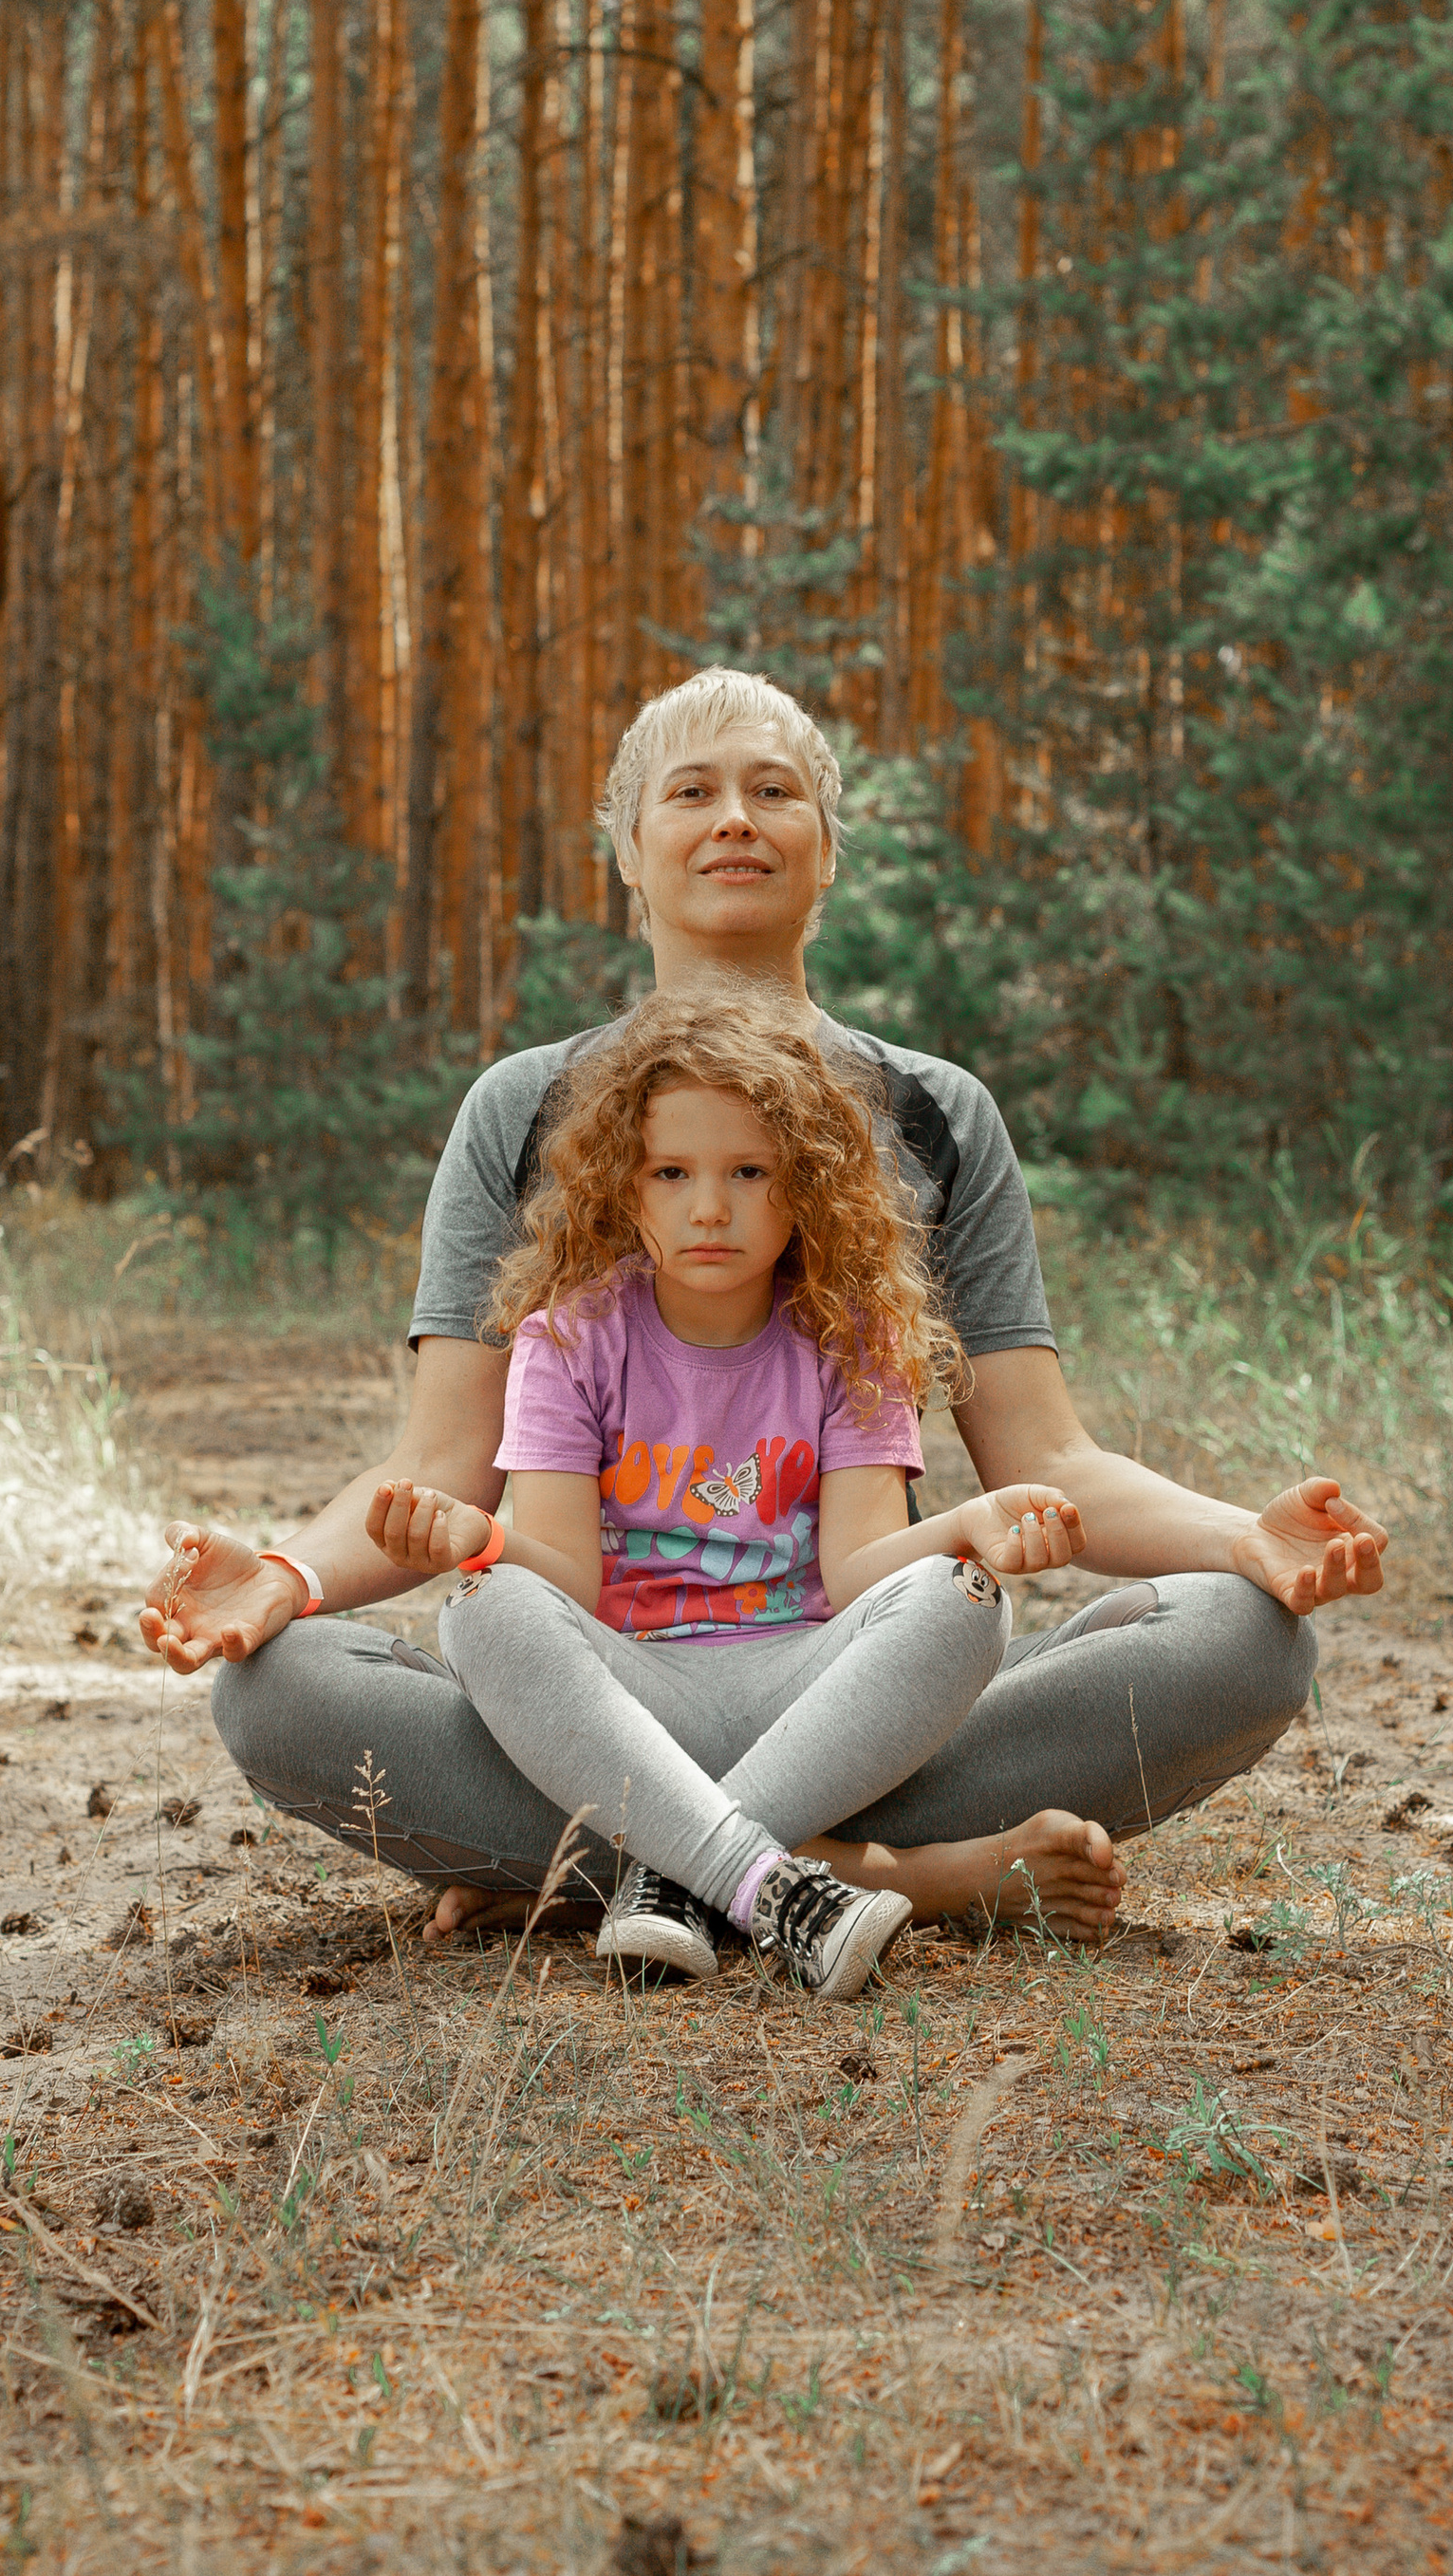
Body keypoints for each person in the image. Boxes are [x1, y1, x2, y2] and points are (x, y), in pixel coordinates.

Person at [144, 666, 1388, 1946]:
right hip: (602, 1690)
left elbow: (1050, 1464)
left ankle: (640, 1864)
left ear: (826, 850)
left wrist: (1246, 1538)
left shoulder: (936, 1114)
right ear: (628, 849)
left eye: (774, 792)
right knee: (278, 1688)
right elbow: (440, 1463)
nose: (735, 816)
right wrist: (289, 1575)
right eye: (692, 792)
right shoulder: (521, 1109)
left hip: (846, 1687)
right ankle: (876, 1873)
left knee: (1244, 1637)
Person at [378, 984, 1089, 1998]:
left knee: (963, 1598)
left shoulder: (854, 1337)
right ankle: (777, 1888)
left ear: (808, 1187)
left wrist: (973, 1524)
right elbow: (566, 1580)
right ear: (623, 1187)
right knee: (484, 1607)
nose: (708, 1207)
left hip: (806, 1700)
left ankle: (668, 1878)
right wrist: (472, 1537)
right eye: (671, 1172)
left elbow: (857, 1572)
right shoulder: (567, 1339)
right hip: (631, 1698)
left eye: (749, 1172)